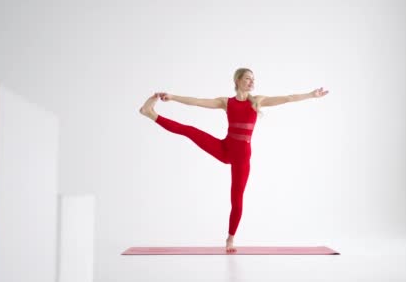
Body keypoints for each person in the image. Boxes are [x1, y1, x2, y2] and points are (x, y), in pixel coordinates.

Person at [139, 68, 329, 252]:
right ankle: (150, 113)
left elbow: (288, 98)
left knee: (237, 200)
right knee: (190, 131)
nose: (252, 82)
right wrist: (173, 97)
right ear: (237, 81)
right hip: (224, 149)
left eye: (253, 79)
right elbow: (197, 102)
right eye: (248, 78)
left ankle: (230, 239)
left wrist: (311, 95)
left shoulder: (258, 101)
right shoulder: (226, 102)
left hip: (242, 158)